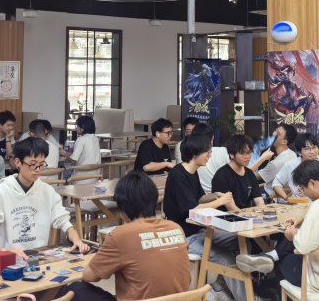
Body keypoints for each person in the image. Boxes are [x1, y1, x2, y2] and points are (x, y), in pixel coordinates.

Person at [235, 160, 319, 295]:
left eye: (303, 189)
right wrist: (304, 219)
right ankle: (271, 256)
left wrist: (292, 234)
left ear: (312, 183)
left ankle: (272, 263)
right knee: (290, 252)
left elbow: (303, 247)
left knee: (282, 262)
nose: (304, 194)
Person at [62, 172, 190, 301]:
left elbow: (89, 276)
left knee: (75, 289)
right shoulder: (176, 228)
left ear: (123, 208)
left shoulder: (121, 235)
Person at [163, 134, 251, 301]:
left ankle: (220, 287)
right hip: (183, 235)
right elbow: (192, 210)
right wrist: (221, 202)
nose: (210, 156)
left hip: (200, 230)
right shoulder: (177, 175)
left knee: (242, 240)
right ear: (195, 153)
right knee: (226, 257)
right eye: (207, 152)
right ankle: (248, 298)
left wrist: (215, 195)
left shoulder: (193, 171)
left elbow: (199, 199)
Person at [0, 137, 90, 258]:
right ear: (18, 162)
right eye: (32, 164)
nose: (37, 170)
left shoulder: (47, 191)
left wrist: (77, 241)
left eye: (41, 165)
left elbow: (65, 224)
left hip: (37, 259)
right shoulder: (0, 192)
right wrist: (7, 252)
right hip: (6, 261)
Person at [193, 123, 272, 193]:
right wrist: (263, 158)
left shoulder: (191, 155)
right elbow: (242, 173)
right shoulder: (222, 152)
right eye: (243, 153)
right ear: (213, 137)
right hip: (221, 196)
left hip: (201, 197)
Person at [272, 133, 319, 201]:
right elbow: (277, 182)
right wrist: (286, 197)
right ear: (299, 152)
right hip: (298, 203)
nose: (312, 152)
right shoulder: (290, 165)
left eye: (314, 147)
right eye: (307, 149)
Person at [212, 134, 265, 209]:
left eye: (249, 152)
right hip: (228, 215)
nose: (247, 157)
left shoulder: (250, 174)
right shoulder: (221, 175)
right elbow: (231, 209)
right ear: (232, 155)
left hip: (246, 213)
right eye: (243, 153)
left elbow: (259, 200)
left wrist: (263, 212)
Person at [255, 124, 298, 200]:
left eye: (278, 133)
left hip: (271, 196)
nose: (273, 134)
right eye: (275, 131)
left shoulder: (276, 164)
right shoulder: (292, 154)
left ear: (284, 142)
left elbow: (251, 177)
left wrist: (261, 158)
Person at [69, 115, 101, 183]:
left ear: (82, 128)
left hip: (81, 178)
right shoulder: (95, 139)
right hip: (95, 177)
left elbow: (73, 160)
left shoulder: (81, 140)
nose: (76, 128)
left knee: (64, 174)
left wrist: (64, 153)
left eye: (77, 126)